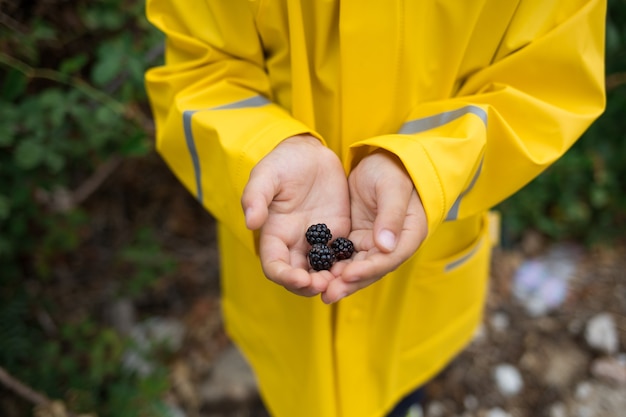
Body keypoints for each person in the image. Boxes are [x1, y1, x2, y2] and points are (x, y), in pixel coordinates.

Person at [144, 1, 606, 416]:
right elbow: (198, 73)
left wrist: (425, 168)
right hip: (283, 286)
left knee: (401, 392)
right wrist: (263, 148)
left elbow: (549, 83)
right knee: (293, 388)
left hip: (416, 286)